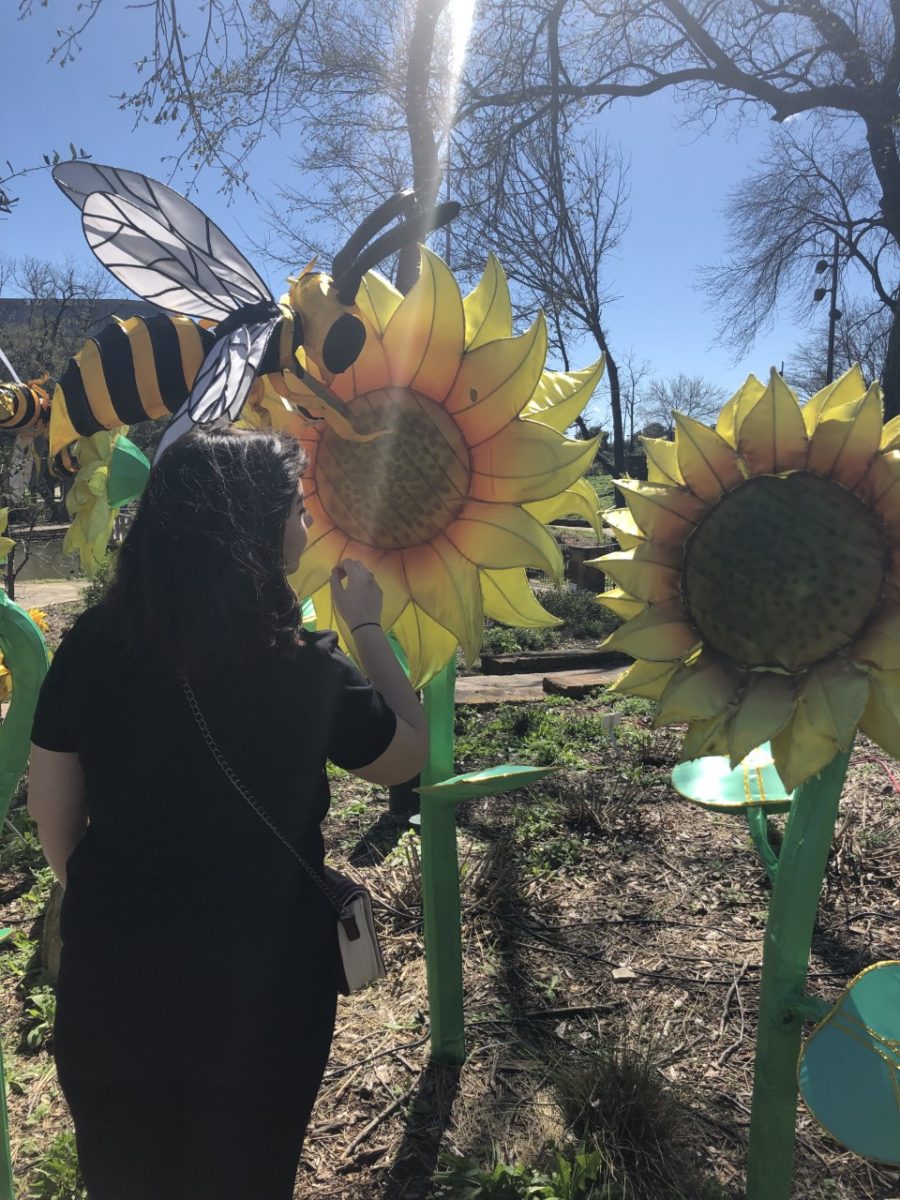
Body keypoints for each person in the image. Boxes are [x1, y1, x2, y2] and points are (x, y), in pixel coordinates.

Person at [27, 422, 428, 1200]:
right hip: (263, 989)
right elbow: (408, 754)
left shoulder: (93, 645)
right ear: (257, 526)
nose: (306, 526)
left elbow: (53, 824)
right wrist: (368, 628)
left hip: (114, 978)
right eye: (296, 509)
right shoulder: (301, 666)